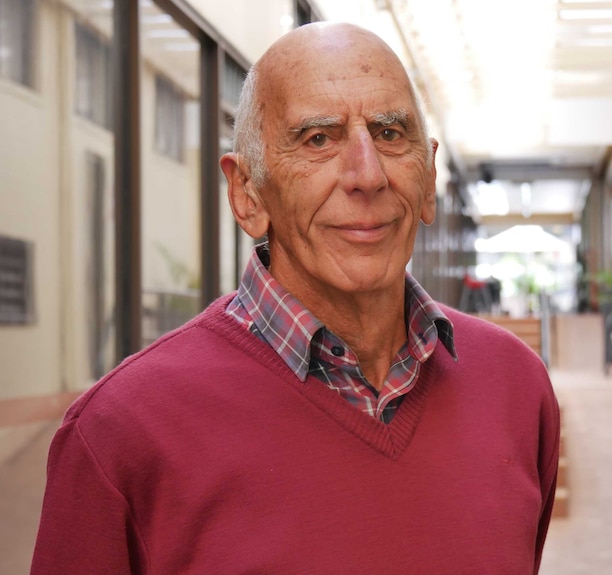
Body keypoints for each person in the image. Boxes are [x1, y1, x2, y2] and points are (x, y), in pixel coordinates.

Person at [30, 22, 560, 574]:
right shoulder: (122, 432)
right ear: (246, 194)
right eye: (318, 139)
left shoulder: (516, 387)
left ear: (427, 180)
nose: (367, 174)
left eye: (389, 133)